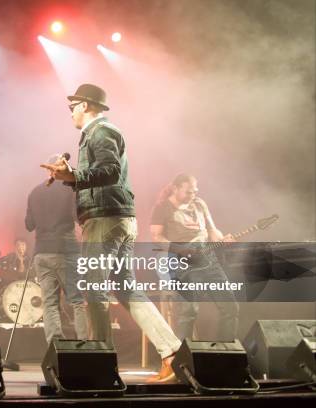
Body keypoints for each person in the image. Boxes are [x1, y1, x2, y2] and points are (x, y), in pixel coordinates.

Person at [41, 83, 181, 382]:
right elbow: (106, 172)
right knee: (125, 287)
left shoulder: (101, 131)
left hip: (106, 220)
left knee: (94, 288)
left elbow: (110, 170)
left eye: (72, 106)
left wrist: (74, 175)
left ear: (86, 106)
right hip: (119, 219)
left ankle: (99, 365)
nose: (70, 112)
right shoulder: (100, 133)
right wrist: (72, 177)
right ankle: (173, 354)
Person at [150, 173, 239, 342]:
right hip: (181, 263)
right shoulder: (162, 208)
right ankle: (182, 361)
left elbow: (212, 230)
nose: (193, 195)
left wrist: (222, 239)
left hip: (208, 260)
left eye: (195, 191)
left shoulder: (199, 204)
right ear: (175, 188)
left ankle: (225, 355)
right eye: (188, 192)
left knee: (230, 308)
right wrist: (180, 250)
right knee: (188, 312)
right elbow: (156, 237)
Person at [25, 155, 88, 343]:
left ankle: (56, 347)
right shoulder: (70, 191)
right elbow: (79, 218)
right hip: (65, 251)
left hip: (42, 252)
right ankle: (84, 345)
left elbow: (29, 225)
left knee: (50, 303)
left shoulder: (34, 192)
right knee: (77, 301)